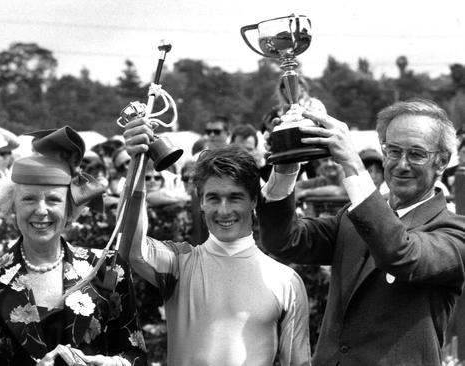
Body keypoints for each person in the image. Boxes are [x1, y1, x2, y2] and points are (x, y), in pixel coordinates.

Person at [257, 99, 465, 365]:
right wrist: (285, 168)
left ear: (442, 161)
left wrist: (353, 164)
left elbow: (401, 253)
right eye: (393, 151)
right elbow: (284, 240)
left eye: (416, 154)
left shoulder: (455, 231)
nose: (401, 164)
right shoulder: (352, 217)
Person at [122, 118, 311, 366]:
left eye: (235, 198)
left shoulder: (286, 281)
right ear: (201, 202)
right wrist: (137, 163)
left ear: (253, 201)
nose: (223, 211)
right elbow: (131, 249)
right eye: (213, 198)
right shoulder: (180, 264)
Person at [0, 126, 147, 366]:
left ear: (70, 209)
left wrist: (109, 364)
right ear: (12, 206)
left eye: (53, 199)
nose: (41, 210)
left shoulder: (108, 268)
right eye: (28, 198)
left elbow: (136, 355)